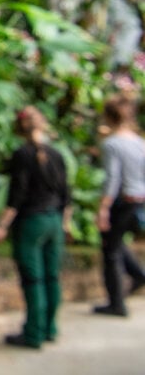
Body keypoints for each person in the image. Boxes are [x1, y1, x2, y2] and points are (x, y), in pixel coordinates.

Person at [0, 106, 71, 349]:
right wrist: (65, 224)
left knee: (33, 279)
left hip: (32, 223)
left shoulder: (22, 155)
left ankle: (33, 333)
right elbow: (66, 195)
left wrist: (2, 225)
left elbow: (17, 195)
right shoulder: (56, 154)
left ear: (18, 129)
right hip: (54, 221)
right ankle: (49, 328)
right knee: (52, 276)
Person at [93, 93, 145, 317]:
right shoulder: (139, 142)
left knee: (110, 251)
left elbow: (112, 179)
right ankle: (139, 275)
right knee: (116, 242)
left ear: (108, 116)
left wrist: (103, 208)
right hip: (138, 199)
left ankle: (116, 303)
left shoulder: (112, 144)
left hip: (122, 200)